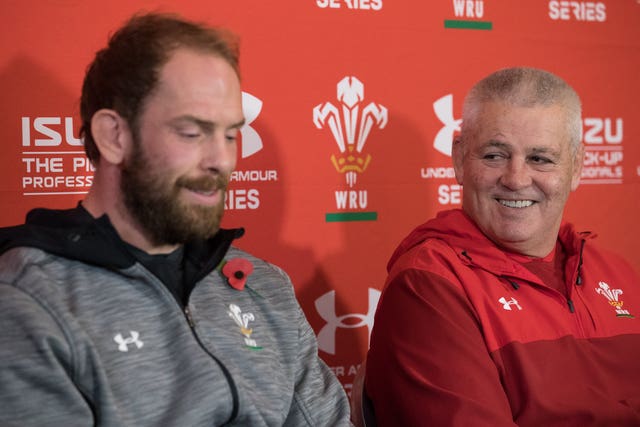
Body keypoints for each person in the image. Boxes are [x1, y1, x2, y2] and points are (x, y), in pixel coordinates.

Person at [0, 13, 350, 426]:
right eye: (192, 132)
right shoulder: (27, 302)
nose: (221, 159)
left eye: (231, 134)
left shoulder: (262, 283)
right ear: (114, 136)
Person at [365, 67, 640, 426]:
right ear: (460, 159)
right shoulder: (429, 284)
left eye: (540, 159)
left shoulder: (616, 272)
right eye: (495, 155)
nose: (516, 179)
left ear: (576, 167)